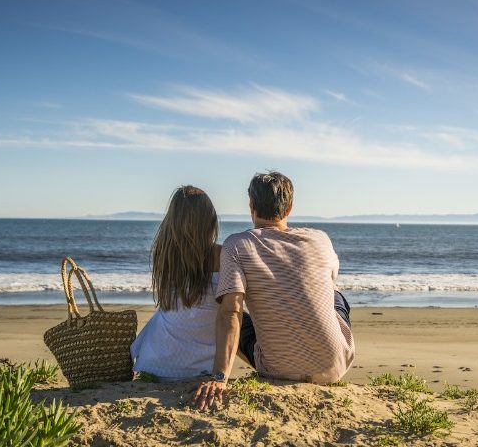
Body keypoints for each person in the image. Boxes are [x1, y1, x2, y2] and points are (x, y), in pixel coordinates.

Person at [193, 171, 355, 409]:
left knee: (226, 308)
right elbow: (326, 283)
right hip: (336, 363)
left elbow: (231, 313)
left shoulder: (237, 245)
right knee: (334, 292)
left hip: (278, 369)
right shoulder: (320, 239)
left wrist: (219, 377)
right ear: (289, 208)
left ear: (251, 205)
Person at [130, 185, 221, 381]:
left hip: (155, 364)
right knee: (235, 315)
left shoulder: (164, 254)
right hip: (202, 367)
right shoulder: (222, 256)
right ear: (209, 220)